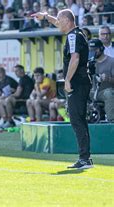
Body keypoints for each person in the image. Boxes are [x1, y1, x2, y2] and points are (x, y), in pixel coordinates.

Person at [33, 9, 93, 169]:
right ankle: (86, 158)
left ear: (67, 21)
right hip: (82, 82)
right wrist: (46, 17)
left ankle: (84, 159)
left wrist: (67, 80)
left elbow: (75, 58)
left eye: (60, 20)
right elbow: (58, 21)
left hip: (77, 83)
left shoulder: (73, 36)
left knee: (76, 120)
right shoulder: (77, 33)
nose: (57, 23)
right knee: (79, 120)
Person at [89, 39, 114, 122]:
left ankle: (111, 120)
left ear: (101, 49)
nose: (92, 52)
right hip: (91, 92)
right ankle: (79, 121)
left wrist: (108, 78)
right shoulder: (88, 62)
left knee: (109, 93)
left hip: (105, 91)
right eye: (90, 50)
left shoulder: (111, 61)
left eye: (95, 49)